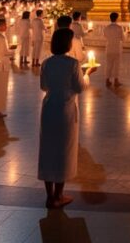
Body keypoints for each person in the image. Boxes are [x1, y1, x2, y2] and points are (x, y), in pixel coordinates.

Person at [39, 27, 97, 208]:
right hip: (66, 108)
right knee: (64, 149)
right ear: (67, 44)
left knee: (48, 149)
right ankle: (59, 194)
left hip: (49, 107)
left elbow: (43, 86)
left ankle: (49, 196)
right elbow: (80, 87)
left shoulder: (46, 63)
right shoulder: (72, 64)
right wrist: (87, 74)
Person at [104, 12, 124, 88]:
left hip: (109, 48)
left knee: (108, 65)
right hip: (117, 48)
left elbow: (105, 36)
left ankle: (107, 80)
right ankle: (116, 80)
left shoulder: (107, 28)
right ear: (117, 18)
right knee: (117, 65)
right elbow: (123, 38)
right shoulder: (119, 28)